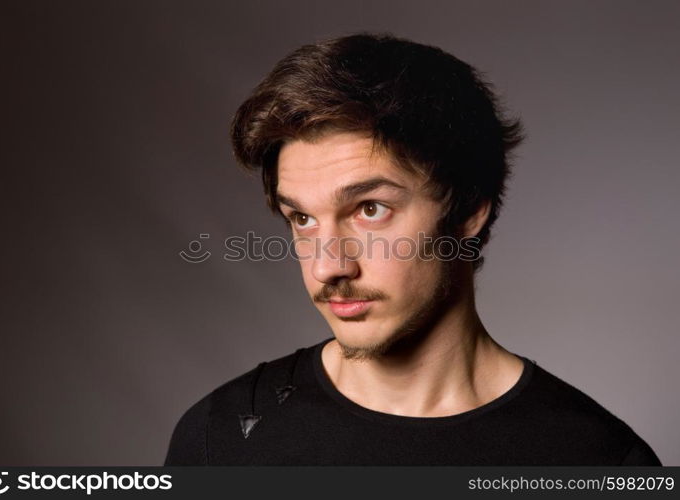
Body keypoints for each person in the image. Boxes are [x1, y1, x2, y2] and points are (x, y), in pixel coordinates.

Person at [164, 33, 661, 465]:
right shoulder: (219, 437)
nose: (326, 266)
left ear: (468, 211)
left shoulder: (596, 462)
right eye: (302, 218)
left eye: (370, 209)